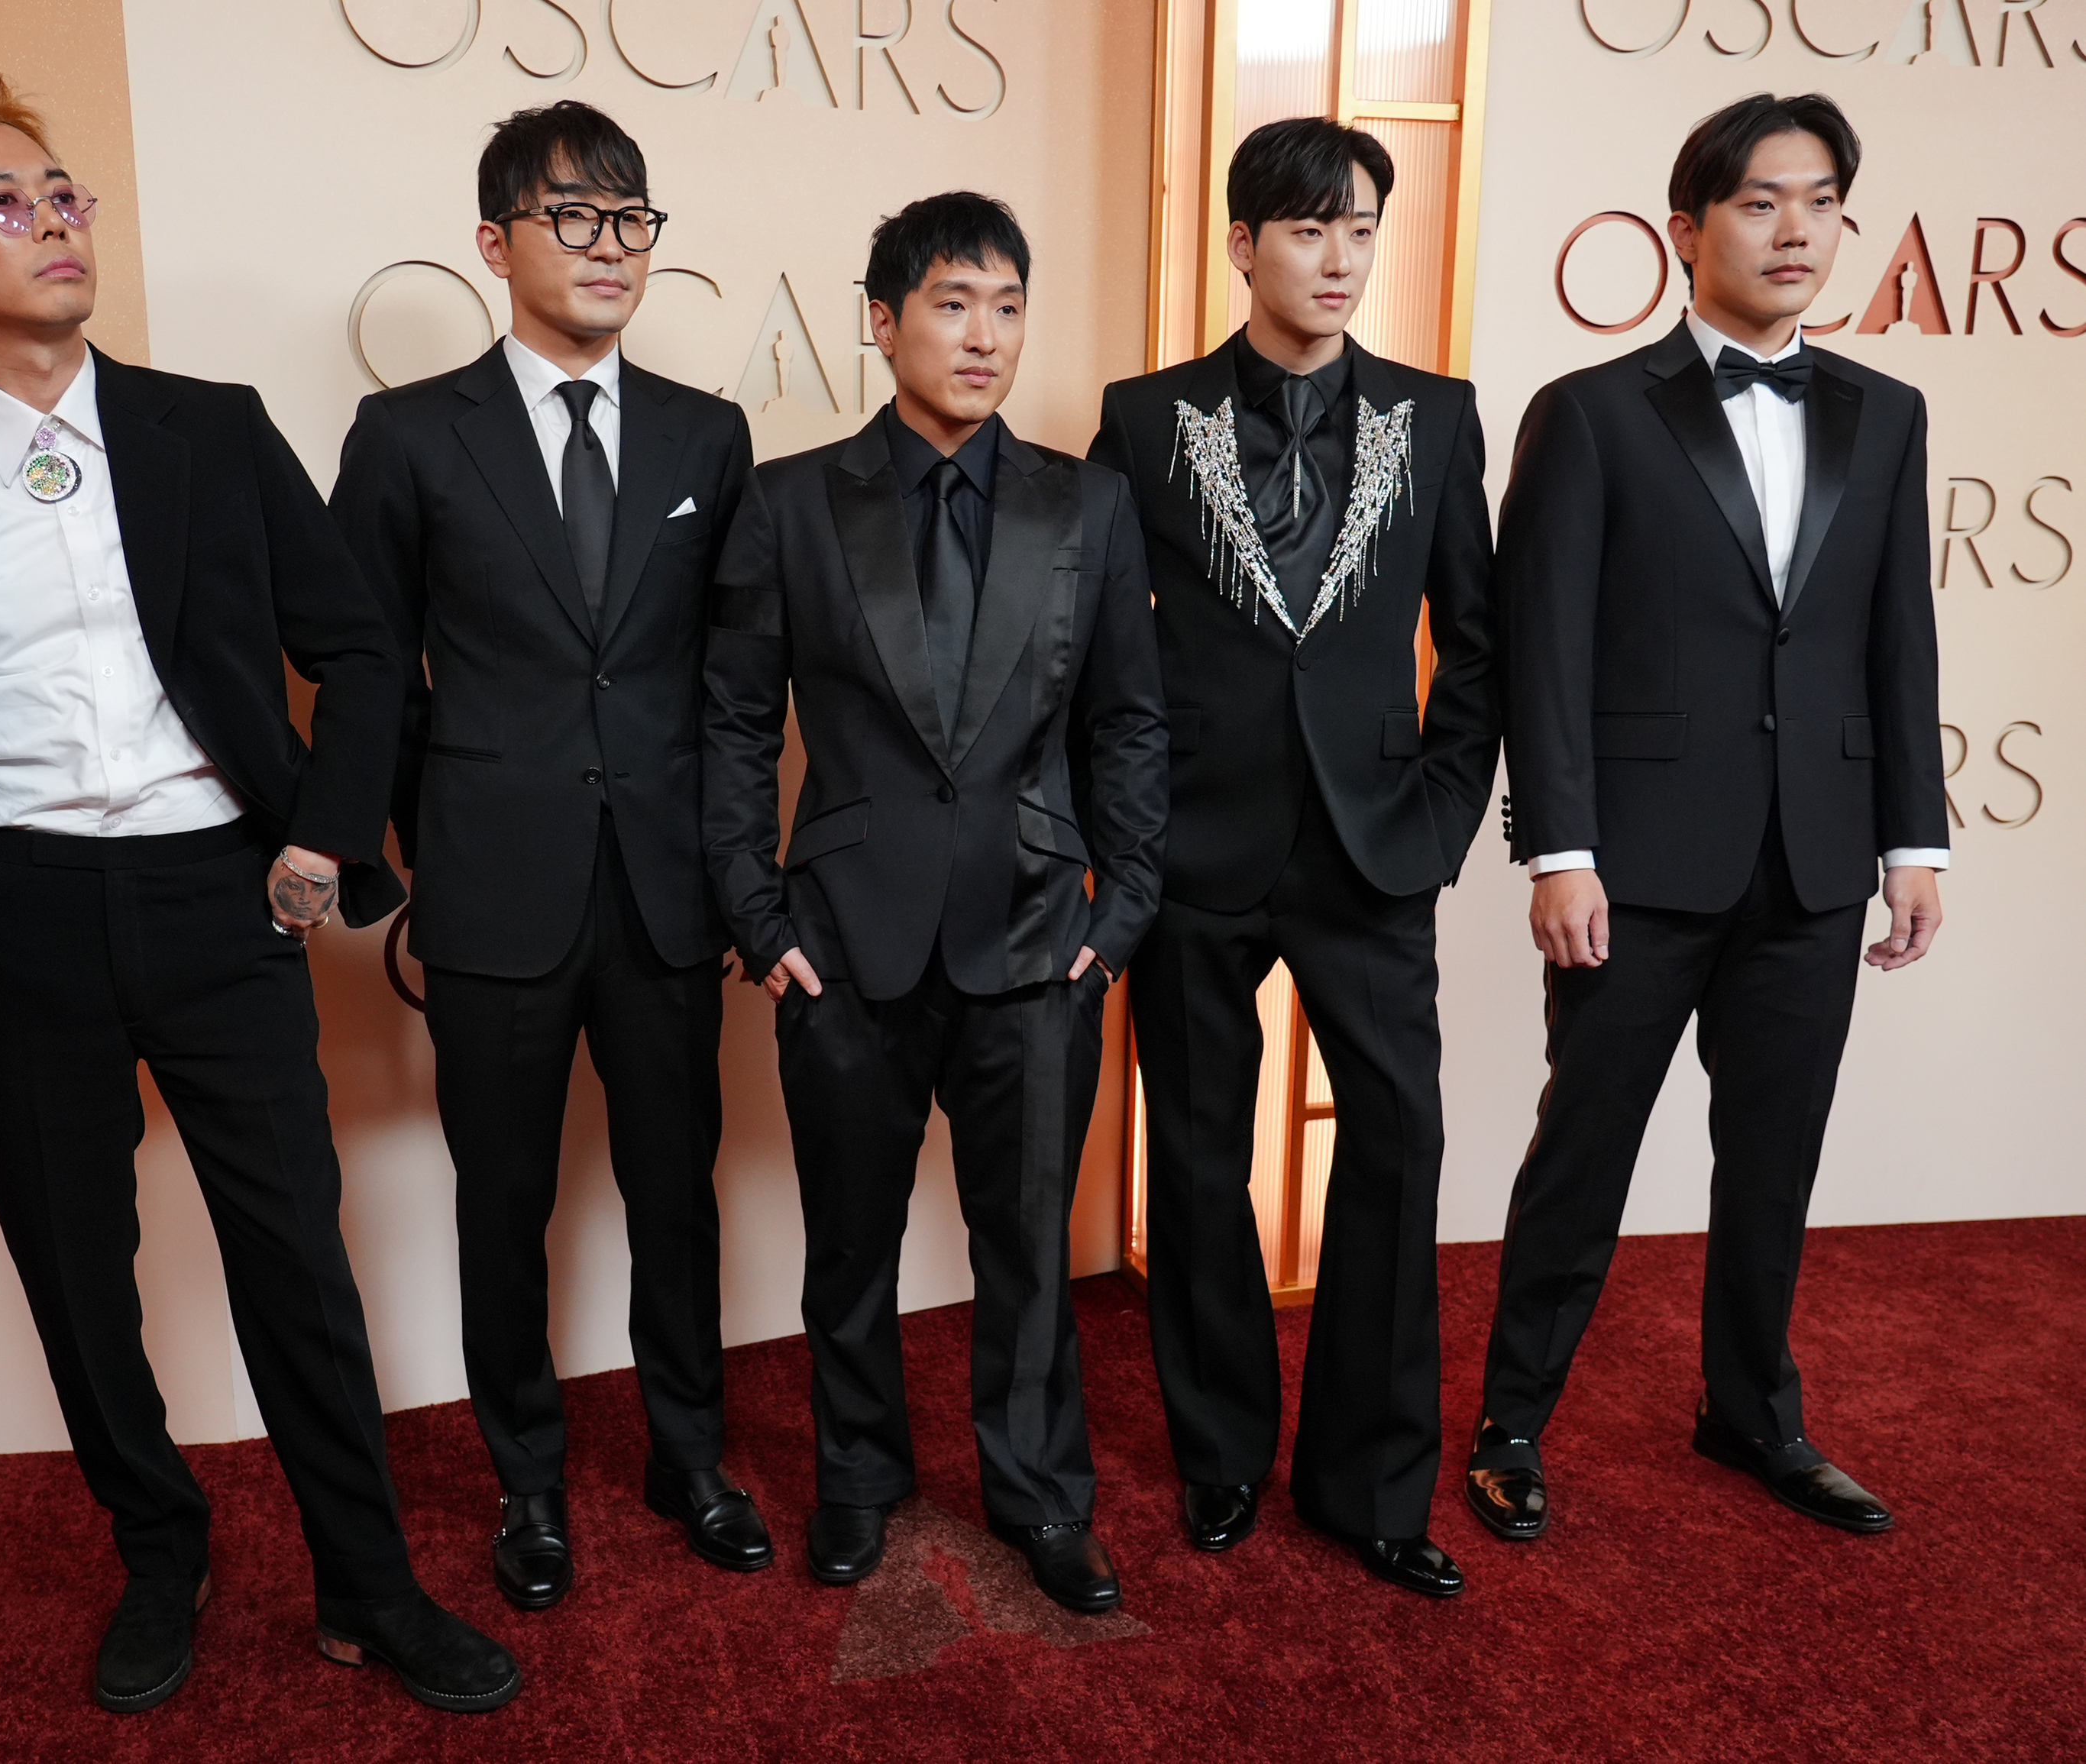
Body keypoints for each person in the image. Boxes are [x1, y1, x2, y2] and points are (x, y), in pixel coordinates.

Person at [0, 68, 516, 1715]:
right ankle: (162, 1553)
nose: (51, 224)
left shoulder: (213, 425)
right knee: (76, 1272)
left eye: (64, 196)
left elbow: (354, 648)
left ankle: (368, 1587)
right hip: (24, 916)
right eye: (3, 204)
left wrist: (322, 842)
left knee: (296, 1266)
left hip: (217, 897)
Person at [1472, 92, 1946, 1543]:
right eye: (1758, 200)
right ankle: (1509, 1421)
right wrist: (1560, 847)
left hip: (1814, 857)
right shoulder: (1592, 413)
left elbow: (1894, 638)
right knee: (1584, 1146)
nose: (1795, 228)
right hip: (1634, 867)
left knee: (1775, 1152)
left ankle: (1754, 1413)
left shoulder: (1886, 413)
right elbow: (1538, 648)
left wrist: (1911, 838)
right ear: (1686, 230)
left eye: (1819, 201)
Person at [330, 100, 767, 1611]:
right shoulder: (405, 434)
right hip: (493, 889)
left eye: (630, 219)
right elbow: (363, 662)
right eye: (571, 218)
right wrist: (412, 855)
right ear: (493, 242)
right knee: (499, 1201)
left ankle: (689, 1456)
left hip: (662, 892)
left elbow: (731, 684)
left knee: (675, 1192)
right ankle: (529, 1486)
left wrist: (730, 868)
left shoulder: (711, 434)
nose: (607, 247)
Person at [702, 192, 1166, 1614]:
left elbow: (1129, 721)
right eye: (954, 303)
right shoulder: (789, 499)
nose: (984, 335)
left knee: (1028, 1241)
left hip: (1039, 942)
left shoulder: (1084, 497)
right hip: (840, 944)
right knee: (849, 1238)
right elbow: (725, 726)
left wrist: (1122, 906)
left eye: (1009, 305)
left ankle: (1039, 1496)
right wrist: (759, 920)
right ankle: (857, 1477)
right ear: (882, 318)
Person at [1090, 119, 1496, 1598]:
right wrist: (1120, 835)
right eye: (1309, 229)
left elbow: (1480, 644)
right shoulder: (1144, 420)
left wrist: (1443, 817)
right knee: (1196, 1167)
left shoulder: (1437, 417)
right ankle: (1217, 1461)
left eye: (1362, 230)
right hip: (1194, 852)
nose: (1339, 258)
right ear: (1240, 242)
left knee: (1396, 1153)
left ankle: (1374, 1486)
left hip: (1374, 854)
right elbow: (1091, 651)